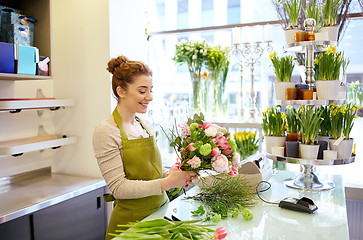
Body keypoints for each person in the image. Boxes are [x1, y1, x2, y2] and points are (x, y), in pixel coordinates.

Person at [92, 55, 197, 240]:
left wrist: (175, 175)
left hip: (161, 214)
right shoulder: (106, 132)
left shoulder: (145, 124)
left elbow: (151, 173)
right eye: (142, 91)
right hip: (132, 224)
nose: (149, 97)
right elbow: (119, 188)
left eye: (150, 90)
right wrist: (169, 182)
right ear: (121, 91)